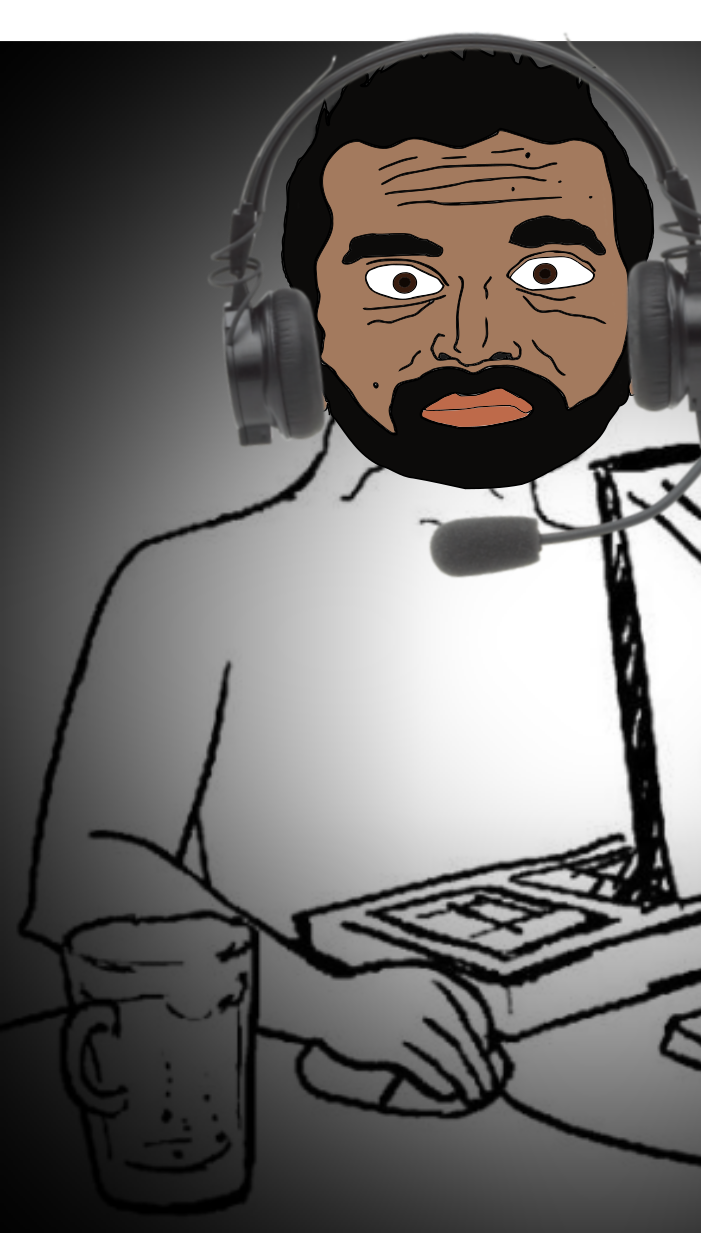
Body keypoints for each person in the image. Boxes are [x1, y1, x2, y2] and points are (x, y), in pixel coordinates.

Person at [22, 50, 654, 1110]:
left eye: (547, 275)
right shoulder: (189, 587)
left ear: (655, 317)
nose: (475, 339)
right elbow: (90, 876)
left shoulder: (688, 551)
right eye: (402, 283)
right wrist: (325, 1001)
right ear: (288, 337)